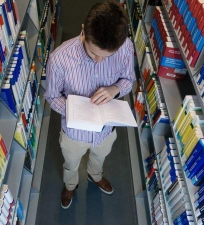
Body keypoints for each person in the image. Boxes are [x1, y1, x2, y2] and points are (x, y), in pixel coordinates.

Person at [44, 1, 135, 209]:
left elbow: (128, 80)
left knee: (100, 157)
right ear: (83, 31)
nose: (99, 61)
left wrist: (115, 89)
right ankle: (70, 185)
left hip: (105, 131)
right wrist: (74, 111)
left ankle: (96, 176)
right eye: (94, 53)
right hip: (73, 134)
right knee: (71, 164)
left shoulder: (125, 47)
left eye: (107, 56)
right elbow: (51, 96)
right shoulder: (59, 59)